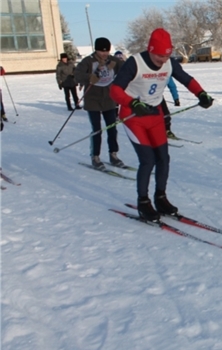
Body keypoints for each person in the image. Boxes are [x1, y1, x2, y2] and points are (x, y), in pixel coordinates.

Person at [110, 28, 214, 222]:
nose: (163, 60)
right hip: (133, 116)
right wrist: (132, 103)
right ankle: (143, 202)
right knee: (148, 160)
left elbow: (186, 79)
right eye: (159, 55)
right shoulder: (135, 63)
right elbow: (114, 90)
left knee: (163, 158)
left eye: (166, 55)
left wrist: (201, 94)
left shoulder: (169, 63)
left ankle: (160, 198)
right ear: (150, 49)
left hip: (155, 114)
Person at [74, 37, 125, 170]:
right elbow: (77, 74)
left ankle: (113, 154)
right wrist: (89, 77)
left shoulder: (114, 61)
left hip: (109, 99)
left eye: (106, 51)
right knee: (97, 130)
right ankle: (95, 156)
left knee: (112, 128)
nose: (104, 53)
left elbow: (127, 70)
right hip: (93, 99)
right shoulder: (88, 61)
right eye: (101, 51)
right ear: (96, 50)